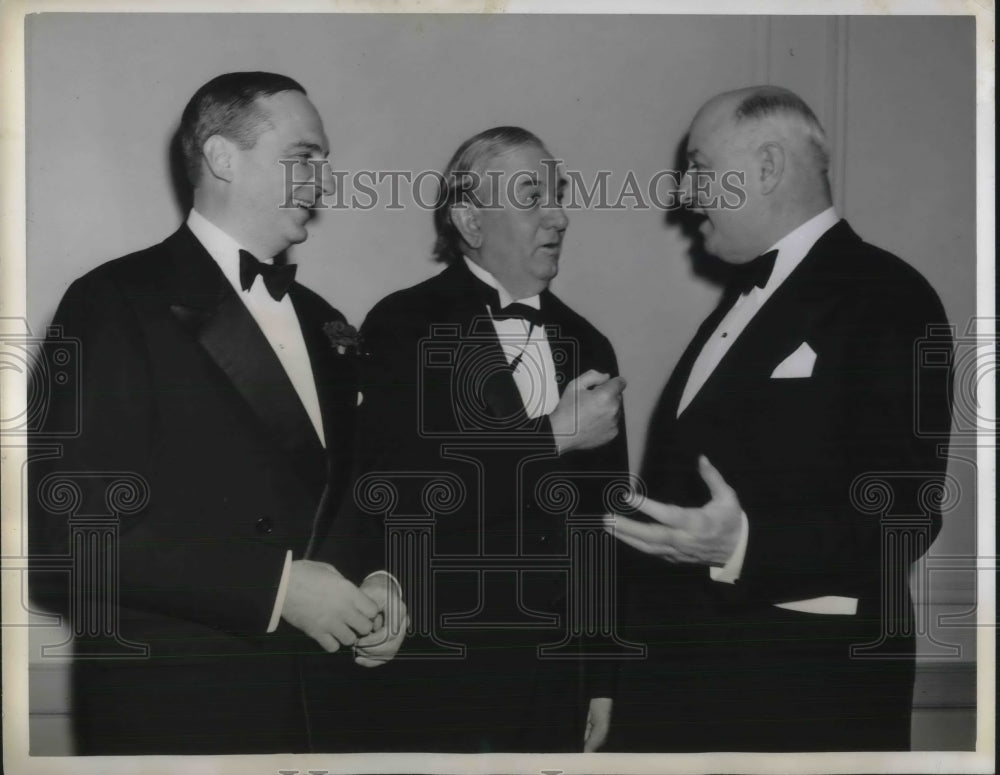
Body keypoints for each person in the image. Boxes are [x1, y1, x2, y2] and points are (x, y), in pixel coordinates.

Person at [28, 71, 405, 755]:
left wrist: (380, 582)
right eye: (304, 157)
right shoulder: (113, 300)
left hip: (328, 707)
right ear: (223, 158)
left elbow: (356, 495)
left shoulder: (326, 321)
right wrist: (278, 587)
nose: (324, 182)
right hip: (187, 711)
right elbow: (71, 538)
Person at [606, 86, 953, 751]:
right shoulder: (741, 303)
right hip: (687, 696)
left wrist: (741, 546)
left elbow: (906, 511)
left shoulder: (887, 295)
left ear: (766, 167)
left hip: (800, 702)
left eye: (700, 166)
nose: (684, 193)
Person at [344, 126, 630, 753]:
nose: (559, 215)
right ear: (470, 221)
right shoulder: (403, 324)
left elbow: (603, 524)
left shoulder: (590, 344)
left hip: (559, 679)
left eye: (558, 194)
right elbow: (397, 494)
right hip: (437, 675)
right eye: (533, 195)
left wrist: (603, 678)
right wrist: (550, 439)